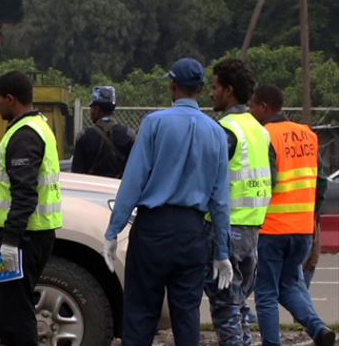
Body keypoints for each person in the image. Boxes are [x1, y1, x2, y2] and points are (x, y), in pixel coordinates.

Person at [103, 57, 231, 346]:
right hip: (192, 233)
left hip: (152, 230)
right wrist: (222, 251)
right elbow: (220, 199)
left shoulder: (154, 123)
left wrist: (114, 231)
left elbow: (132, 183)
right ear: (200, 89)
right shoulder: (216, 133)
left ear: (173, 86)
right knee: (186, 315)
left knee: (140, 313)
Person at [248, 84, 335, 346]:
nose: (250, 111)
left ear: (264, 107)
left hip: (272, 229)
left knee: (265, 293)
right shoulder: (307, 135)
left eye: (252, 106)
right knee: (287, 286)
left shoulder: (265, 136)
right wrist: (312, 218)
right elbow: (321, 183)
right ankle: (318, 329)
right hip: (302, 230)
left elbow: (267, 182)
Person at [0, 71, 62, 346]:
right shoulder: (36, 126)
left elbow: (24, 194)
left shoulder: (24, 136)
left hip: (22, 238)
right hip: (24, 236)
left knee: (15, 311)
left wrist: (11, 242)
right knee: (7, 307)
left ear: (10, 99)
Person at [205, 58, 273, 346]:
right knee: (239, 306)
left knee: (225, 308)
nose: (210, 93)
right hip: (252, 234)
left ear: (229, 90)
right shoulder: (260, 130)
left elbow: (207, 182)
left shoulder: (226, 131)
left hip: (226, 233)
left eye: (215, 86)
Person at [70, 86, 136, 178]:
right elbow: (135, 171)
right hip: (119, 189)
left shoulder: (84, 136)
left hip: (91, 189)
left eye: (92, 108)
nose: (91, 112)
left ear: (97, 109)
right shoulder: (128, 134)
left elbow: (76, 173)